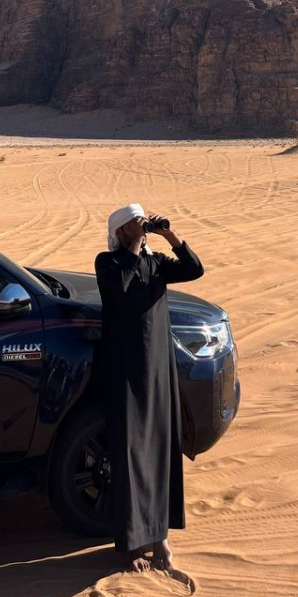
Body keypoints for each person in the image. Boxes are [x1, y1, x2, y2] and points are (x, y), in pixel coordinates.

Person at [94, 203, 204, 573]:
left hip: (158, 368)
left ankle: (160, 539)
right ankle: (131, 545)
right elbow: (120, 285)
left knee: (161, 452)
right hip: (124, 370)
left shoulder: (155, 263)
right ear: (120, 231)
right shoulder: (108, 263)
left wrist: (168, 235)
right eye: (135, 222)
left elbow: (194, 269)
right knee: (130, 455)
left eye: (143, 220)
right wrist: (135, 247)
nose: (142, 225)